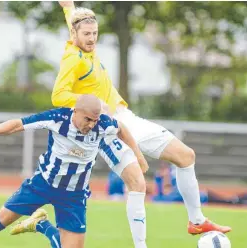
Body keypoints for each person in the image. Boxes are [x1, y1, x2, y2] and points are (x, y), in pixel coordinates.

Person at [50, 0, 231, 243]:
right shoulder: (73, 58)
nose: (92, 38)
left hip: (128, 118)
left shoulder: (84, 43)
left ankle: (196, 221)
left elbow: (75, 22)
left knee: (186, 156)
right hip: (106, 129)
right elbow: (57, 96)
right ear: (75, 34)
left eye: (95, 33)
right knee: (138, 184)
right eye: (87, 34)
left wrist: (68, 7)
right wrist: (91, 102)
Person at [0, 94, 144, 248]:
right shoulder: (58, 118)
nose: (91, 124)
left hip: (74, 195)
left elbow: (122, 129)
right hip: (42, 184)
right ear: (75, 111)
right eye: (87, 119)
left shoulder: (103, 124)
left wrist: (138, 155)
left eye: (95, 120)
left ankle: (41, 225)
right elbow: (19, 124)